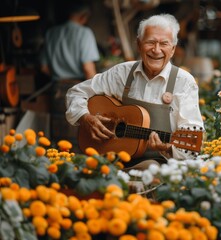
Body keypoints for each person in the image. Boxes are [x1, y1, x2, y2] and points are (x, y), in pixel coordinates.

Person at [65, 14, 204, 170]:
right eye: (150, 42)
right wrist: (85, 118)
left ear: (172, 49)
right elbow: (76, 92)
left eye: (164, 44)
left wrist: (166, 147)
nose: (156, 50)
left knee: (149, 168)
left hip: (156, 165)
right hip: (110, 158)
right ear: (139, 44)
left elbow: (192, 145)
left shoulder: (184, 82)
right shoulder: (122, 73)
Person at [39, 1, 100, 151]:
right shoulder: (84, 33)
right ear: (84, 16)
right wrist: (99, 93)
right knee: (78, 140)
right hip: (79, 90)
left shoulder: (51, 33)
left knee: (58, 139)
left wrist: (60, 73)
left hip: (57, 89)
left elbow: (44, 68)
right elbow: (88, 69)